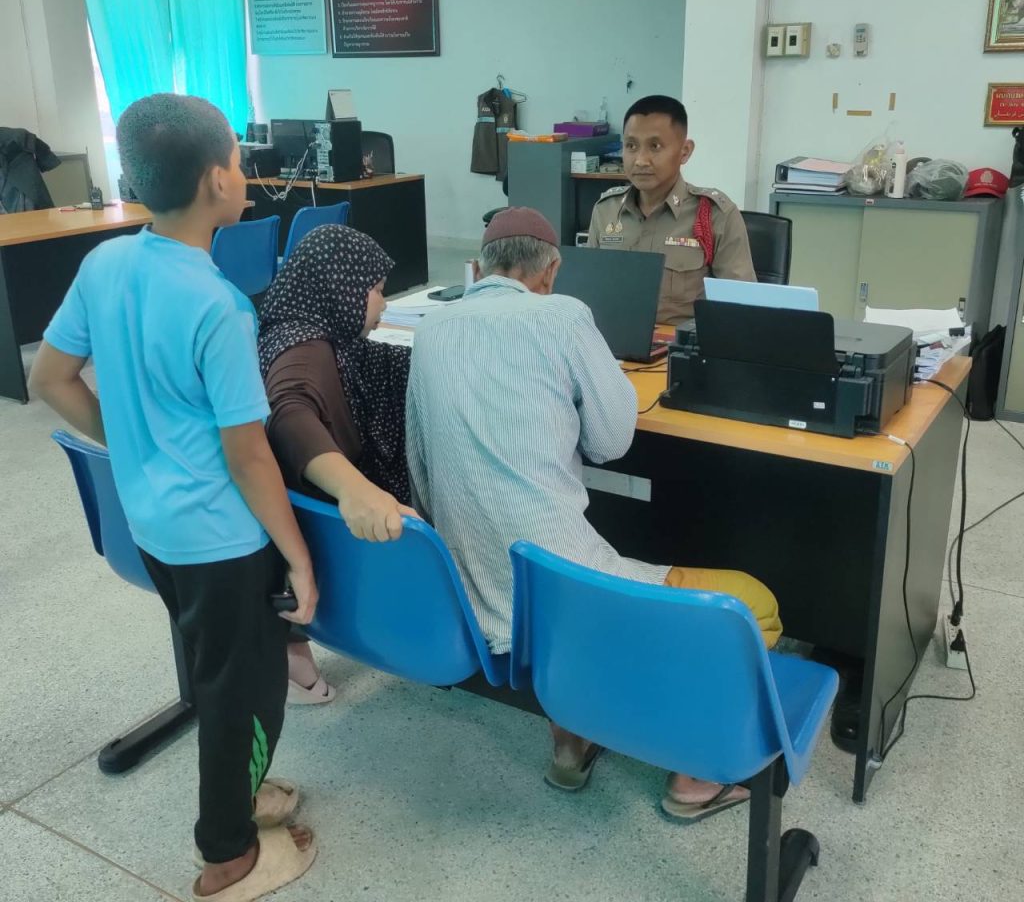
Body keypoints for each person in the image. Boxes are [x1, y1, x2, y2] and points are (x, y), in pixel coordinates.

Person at [29, 94, 318, 901]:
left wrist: (135, 443)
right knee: (245, 694)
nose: (244, 172)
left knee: (211, 670)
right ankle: (229, 854)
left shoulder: (106, 263)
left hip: (152, 525)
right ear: (216, 180)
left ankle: (239, 794)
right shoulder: (219, 305)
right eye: (238, 160)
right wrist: (297, 556)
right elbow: (248, 455)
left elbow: (49, 377)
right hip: (222, 540)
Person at [406, 206, 782, 822]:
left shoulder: (431, 328)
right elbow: (610, 443)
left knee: (564, 559)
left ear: (484, 263)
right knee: (755, 605)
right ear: (551, 270)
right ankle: (695, 774)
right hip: (560, 592)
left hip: (474, 589)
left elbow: (419, 463)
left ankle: (571, 739)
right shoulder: (563, 315)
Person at [257, 225, 415, 705]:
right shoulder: (304, 352)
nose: (384, 303)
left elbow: (373, 361)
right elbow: (290, 416)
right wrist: (355, 489)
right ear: (341, 288)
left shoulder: (302, 328)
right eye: (377, 290)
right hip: (322, 541)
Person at [586, 95, 755, 324]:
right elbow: (590, 294)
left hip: (680, 343)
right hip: (612, 342)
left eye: (655, 146)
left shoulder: (714, 215)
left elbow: (740, 311)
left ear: (685, 151)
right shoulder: (606, 210)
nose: (641, 160)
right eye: (631, 146)